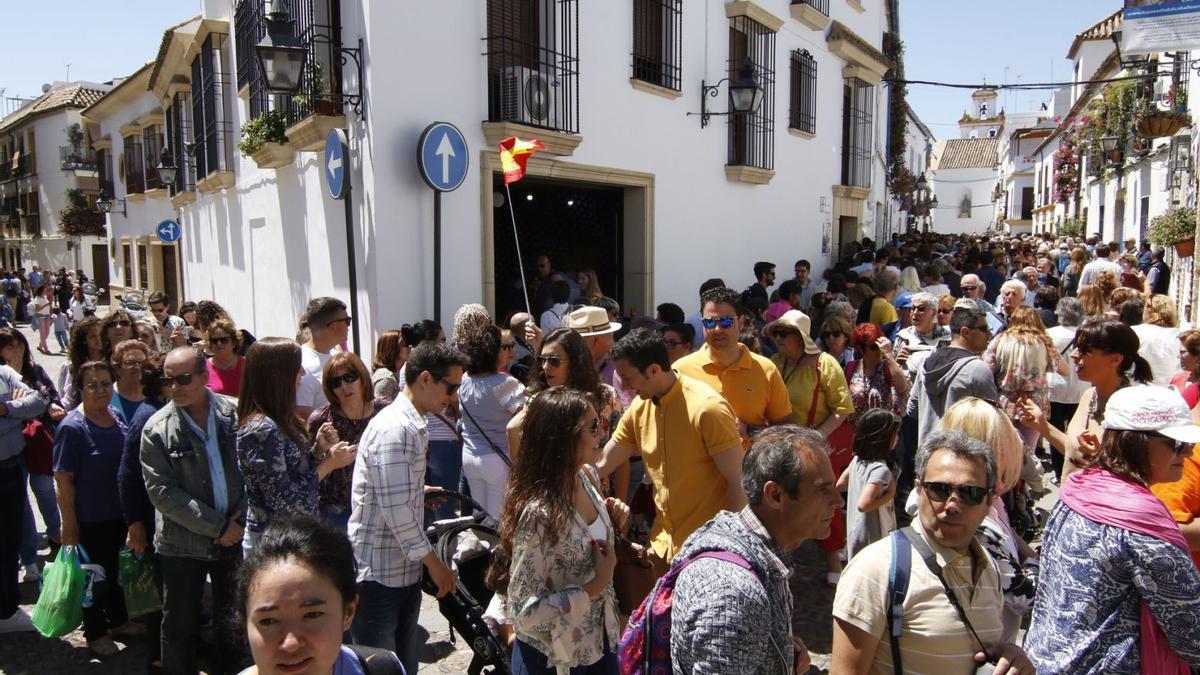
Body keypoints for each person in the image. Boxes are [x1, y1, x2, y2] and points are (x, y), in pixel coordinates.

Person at [1024, 385, 1200, 672]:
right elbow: (1190, 627)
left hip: (1044, 660)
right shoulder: (1140, 522)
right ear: (1137, 442)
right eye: (1177, 442)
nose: (1189, 450)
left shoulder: (1077, 492)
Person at [831, 430, 1034, 674]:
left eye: (970, 493)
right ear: (918, 490)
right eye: (940, 489)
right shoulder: (874, 570)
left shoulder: (989, 568)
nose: (952, 504)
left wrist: (1010, 655)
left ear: (988, 502)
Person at [669, 426, 841, 674]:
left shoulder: (751, 552)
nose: (839, 501)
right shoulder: (734, 597)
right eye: (823, 489)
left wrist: (779, 654)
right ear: (775, 495)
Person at [486, 387, 625, 674]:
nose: (602, 433)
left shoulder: (586, 477)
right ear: (565, 438)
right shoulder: (540, 515)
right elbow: (524, 613)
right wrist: (593, 588)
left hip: (600, 644)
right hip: (554, 659)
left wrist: (611, 515)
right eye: (594, 426)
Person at [349, 342, 466, 674]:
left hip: (398, 571)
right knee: (381, 667)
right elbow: (398, 512)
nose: (454, 396)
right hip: (381, 575)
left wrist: (419, 491)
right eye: (451, 386)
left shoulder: (410, 423)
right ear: (426, 379)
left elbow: (391, 496)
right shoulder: (397, 429)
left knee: (401, 666)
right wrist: (435, 564)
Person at [596, 328, 744, 563]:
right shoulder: (639, 408)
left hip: (707, 552)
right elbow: (603, 463)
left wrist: (731, 552)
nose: (622, 386)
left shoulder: (708, 408)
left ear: (653, 370)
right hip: (661, 546)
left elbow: (738, 485)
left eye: (627, 377)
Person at [141, 346, 247, 674]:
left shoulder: (234, 414)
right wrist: (218, 527)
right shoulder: (156, 429)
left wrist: (239, 521)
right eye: (168, 381)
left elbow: (251, 472)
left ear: (204, 376)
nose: (176, 387)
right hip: (182, 545)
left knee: (231, 621)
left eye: (184, 378)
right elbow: (163, 493)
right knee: (179, 625)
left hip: (234, 537)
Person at [236, 515, 403, 675]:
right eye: (268, 621)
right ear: (245, 623)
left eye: (312, 615)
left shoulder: (384, 669)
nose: (291, 644)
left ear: (348, 612)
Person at [237, 338, 356, 552]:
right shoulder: (261, 430)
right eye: (296, 368)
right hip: (271, 545)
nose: (302, 373)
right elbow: (284, 501)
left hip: (291, 537)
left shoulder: (281, 419)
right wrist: (329, 464)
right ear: (278, 376)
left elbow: (294, 472)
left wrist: (318, 450)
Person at [53, 361, 139, 657]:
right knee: (94, 579)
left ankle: (118, 621)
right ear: (80, 389)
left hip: (119, 514)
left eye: (105, 383)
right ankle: (95, 632)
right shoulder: (71, 428)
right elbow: (63, 481)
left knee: (116, 573)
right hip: (90, 518)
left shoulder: (114, 416)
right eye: (92, 385)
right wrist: (69, 525)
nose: (101, 390)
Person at [938, 398, 1033, 643]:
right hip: (988, 649)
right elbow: (1026, 598)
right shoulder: (979, 525)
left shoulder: (979, 505)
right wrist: (1039, 562)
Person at [1019, 318, 1154, 480]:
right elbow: (1073, 449)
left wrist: (1099, 459)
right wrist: (1041, 425)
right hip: (1071, 498)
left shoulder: (1133, 408)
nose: (1074, 354)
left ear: (1116, 359)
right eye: (1076, 347)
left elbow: (1139, 475)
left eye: (1085, 349)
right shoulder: (1089, 395)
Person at [676, 287, 791, 444]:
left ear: (741, 322)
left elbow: (785, 430)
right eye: (709, 322)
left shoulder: (766, 369)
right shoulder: (680, 370)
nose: (717, 329)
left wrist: (749, 430)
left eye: (726, 321)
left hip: (749, 467)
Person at [0, 328, 66, 582]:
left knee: (44, 490)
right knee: (20, 508)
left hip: (33, 445)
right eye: (9, 347)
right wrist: (16, 416)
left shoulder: (25, 373)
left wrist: (8, 409)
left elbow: (42, 399)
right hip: (14, 447)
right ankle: (25, 559)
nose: (15, 351)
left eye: (19, 346)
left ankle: (55, 535)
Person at [116, 353, 166, 672]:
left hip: (167, 522)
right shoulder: (147, 417)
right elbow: (127, 474)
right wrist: (135, 522)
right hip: (151, 521)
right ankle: (157, 656)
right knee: (159, 597)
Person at [306, 352, 386, 531]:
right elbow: (307, 470)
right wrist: (322, 452)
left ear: (362, 377)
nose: (344, 386)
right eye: (335, 382)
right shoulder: (321, 419)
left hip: (380, 508)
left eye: (349, 377)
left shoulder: (386, 411)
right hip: (336, 513)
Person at [906, 303, 999, 446]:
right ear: (965, 331)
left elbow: (912, 409)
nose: (989, 333)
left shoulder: (925, 364)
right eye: (984, 329)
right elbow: (993, 420)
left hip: (929, 458)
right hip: (963, 456)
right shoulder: (977, 369)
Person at [457, 323, 524, 519]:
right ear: (493, 351)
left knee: (481, 518)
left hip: (469, 457)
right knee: (498, 521)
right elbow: (523, 417)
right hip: (497, 458)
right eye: (504, 347)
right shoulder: (504, 384)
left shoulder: (464, 380)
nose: (507, 351)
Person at [982, 306, 1067, 453]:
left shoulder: (1000, 339)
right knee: (1027, 452)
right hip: (1033, 403)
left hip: (1004, 400)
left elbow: (986, 368)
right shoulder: (1044, 342)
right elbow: (1065, 370)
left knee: (1002, 449)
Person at [838, 408, 900, 560]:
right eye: (896, 434)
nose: (898, 438)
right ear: (884, 437)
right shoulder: (881, 470)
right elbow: (864, 504)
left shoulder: (857, 461)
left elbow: (840, 484)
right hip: (873, 537)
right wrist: (890, 494)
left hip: (855, 532)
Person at [1047, 297, 1088, 479]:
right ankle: (1076, 468)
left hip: (1054, 388)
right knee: (1077, 433)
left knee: (1054, 431)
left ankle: (1059, 471)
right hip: (1081, 388)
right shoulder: (1086, 334)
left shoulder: (1049, 334)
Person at [296, 297, 351, 420]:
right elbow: (303, 422)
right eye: (347, 321)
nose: (348, 326)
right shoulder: (302, 365)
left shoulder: (336, 355)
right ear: (332, 327)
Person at [1133, 294, 1180, 389]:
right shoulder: (1179, 336)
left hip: (1138, 388)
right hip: (1171, 391)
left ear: (1150, 309)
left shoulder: (1135, 332)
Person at [59, 315, 102, 408]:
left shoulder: (112, 361)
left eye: (101, 334)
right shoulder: (72, 367)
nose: (99, 339)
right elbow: (69, 398)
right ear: (84, 340)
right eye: (93, 336)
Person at [110, 338, 150, 425]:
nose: (137, 367)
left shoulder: (155, 394)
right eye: (130, 362)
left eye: (141, 362)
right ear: (117, 367)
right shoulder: (107, 395)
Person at [205, 317, 246, 397]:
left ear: (234, 342)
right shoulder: (202, 368)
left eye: (224, 340)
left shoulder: (247, 365)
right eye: (214, 340)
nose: (219, 344)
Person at [370, 329, 407, 400]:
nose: (409, 347)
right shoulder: (385, 378)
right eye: (404, 344)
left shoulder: (395, 374)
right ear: (392, 348)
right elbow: (380, 408)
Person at [1171, 329, 1200, 412]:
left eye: (1182, 352)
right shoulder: (1178, 379)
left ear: (1197, 355)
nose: (1179, 356)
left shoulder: (1196, 388)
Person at [30, 284, 51, 354]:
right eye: (45, 290)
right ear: (41, 290)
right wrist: (45, 305)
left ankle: (40, 346)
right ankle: (46, 349)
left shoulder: (45, 297)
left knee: (47, 333)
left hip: (47, 315)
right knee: (43, 333)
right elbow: (37, 309)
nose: (46, 291)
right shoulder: (37, 298)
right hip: (40, 316)